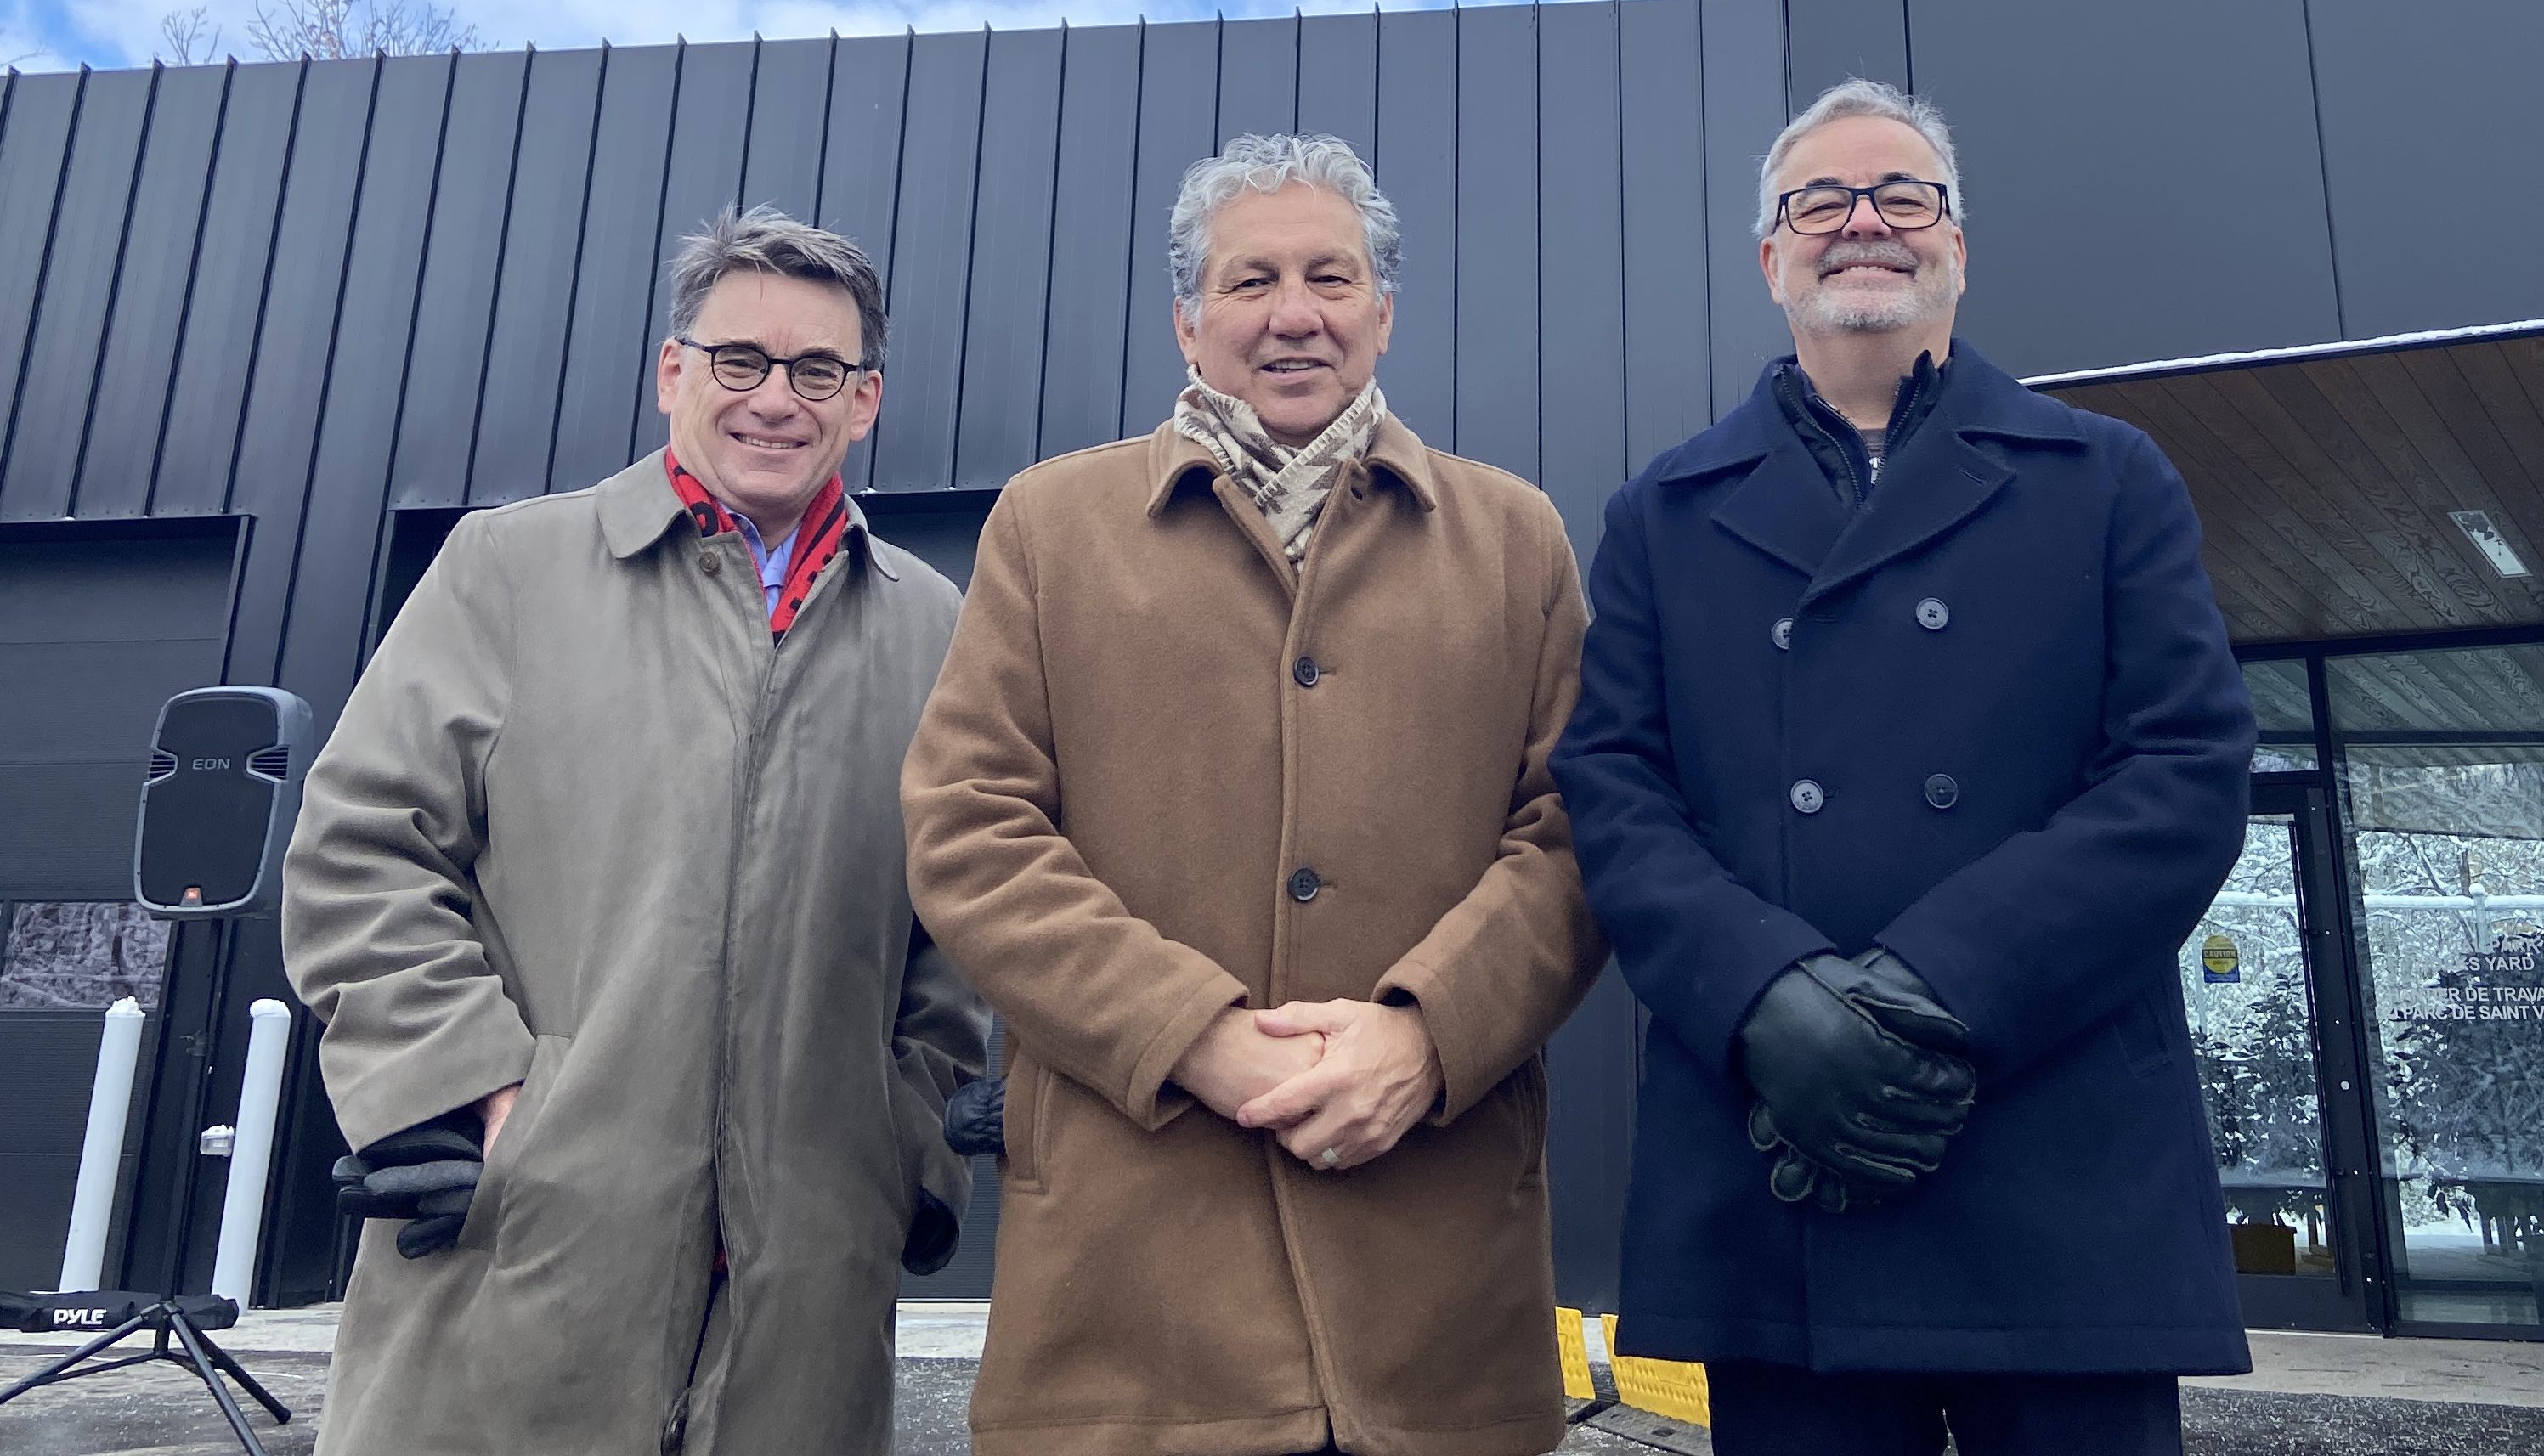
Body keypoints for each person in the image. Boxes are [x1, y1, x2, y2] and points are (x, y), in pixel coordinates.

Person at [1551, 79, 2256, 1455]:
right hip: (1781, 1161)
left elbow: (2184, 768)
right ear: (1770, 256)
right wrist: (1768, 999)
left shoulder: (2107, 476)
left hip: (2054, 1157)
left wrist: (1935, 986)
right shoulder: (1659, 514)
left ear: (1957, 246)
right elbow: (1615, 794)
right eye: (1819, 200)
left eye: (1901, 195)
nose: (1862, 220)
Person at [902, 133, 1605, 1456]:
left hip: (1434, 1291)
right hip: (1132, 1298)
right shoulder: (1050, 527)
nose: (1294, 313)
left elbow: (1574, 834)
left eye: (1330, 277)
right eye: (1250, 280)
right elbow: (970, 827)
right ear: (1187, 319)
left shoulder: (1515, 539)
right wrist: (1193, 1033)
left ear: (1382, 311)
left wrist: (1424, 1037)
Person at [283, 206, 986, 1456]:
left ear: (865, 399)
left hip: (804, 1293)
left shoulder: (934, 627)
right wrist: (464, 1093)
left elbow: (957, 924)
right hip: (527, 1253)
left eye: (817, 370)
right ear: (672, 371)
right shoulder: (509, 569)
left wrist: (901, 1149)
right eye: (739, 359)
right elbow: (363, 845)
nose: (774, 398)